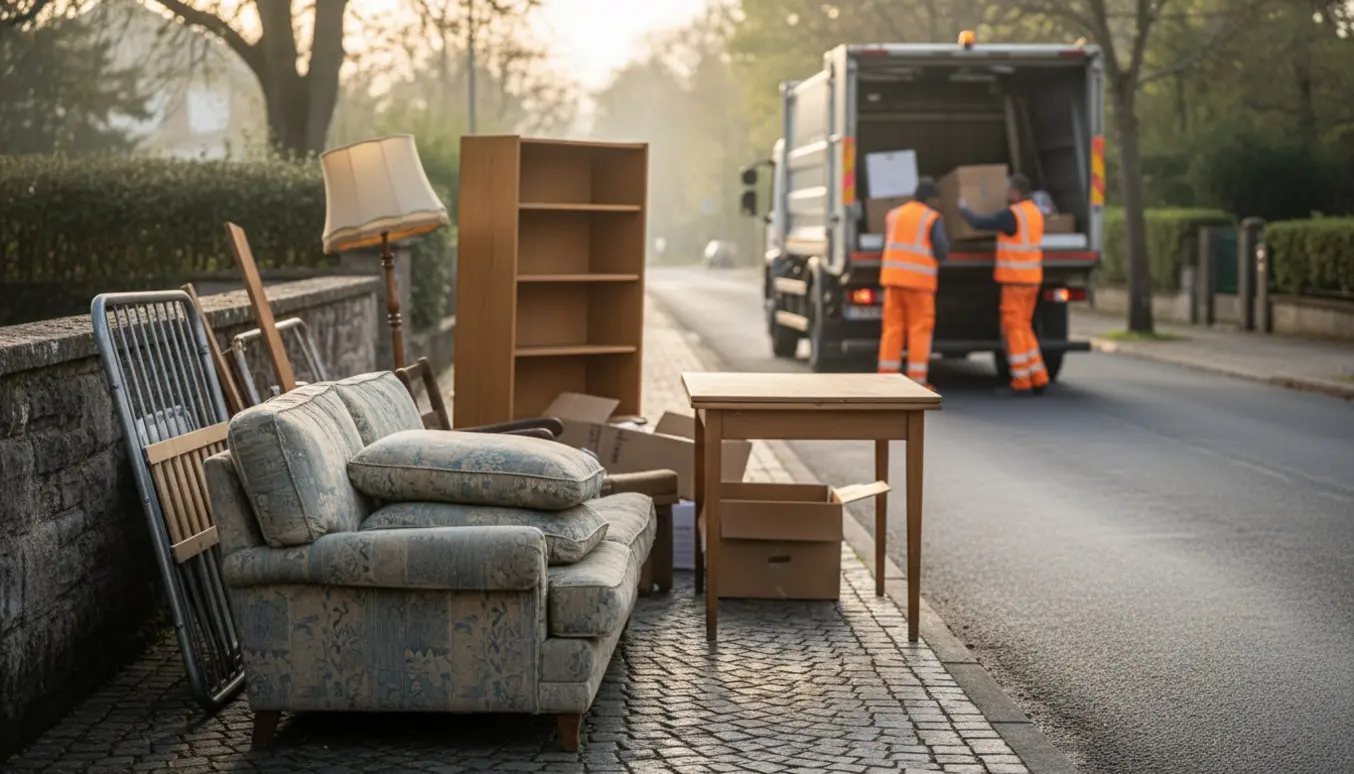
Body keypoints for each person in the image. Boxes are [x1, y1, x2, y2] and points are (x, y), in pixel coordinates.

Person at [959, 173, 1049, 396]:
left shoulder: (1012, 215)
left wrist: (963, 208)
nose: (1006, 194)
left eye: (1009, 190)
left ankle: (1021, 381)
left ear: (1016, 192)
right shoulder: (1034, 213)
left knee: (1014, 328)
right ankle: (1038, 376)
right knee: (1025, 327)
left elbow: (980, 223)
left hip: (1015, 281)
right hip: (1031, 280)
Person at [877, 179, 948, 390]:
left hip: (893, 281)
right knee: (919, 330)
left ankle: (886, 379)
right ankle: (916, 381)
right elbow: (941, 250)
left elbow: (886, 244)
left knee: (892, 329)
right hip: (919, 284)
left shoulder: (894, 214)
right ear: (930, 198)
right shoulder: (931, 218)